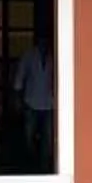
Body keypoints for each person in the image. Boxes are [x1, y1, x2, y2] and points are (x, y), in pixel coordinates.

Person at [13, 33, 56, 174]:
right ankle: (29, 166)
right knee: (28, 137)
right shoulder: (29, 56)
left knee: (48, 140)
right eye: (42, 39)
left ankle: (44, 169)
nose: (44, 42)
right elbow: (19, 78)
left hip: (49, 104)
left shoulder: (54, 56)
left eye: (46, 39)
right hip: (31, 103)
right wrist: (18, 100)